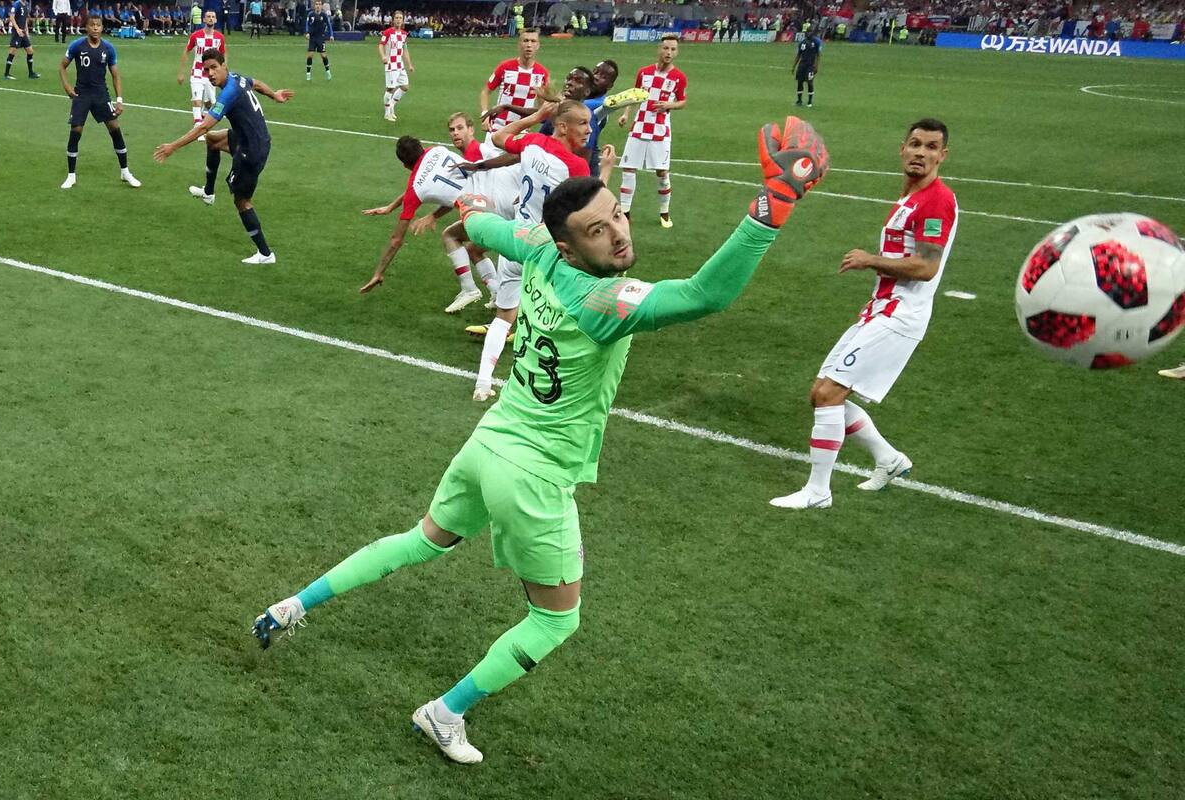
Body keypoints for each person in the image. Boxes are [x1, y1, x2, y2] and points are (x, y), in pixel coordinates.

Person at [250, 115, 829, 766]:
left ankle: (292, 604)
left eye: (616, 217)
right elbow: (705, 294)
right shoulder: (607, 303)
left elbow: (478, 223)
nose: (616, 234)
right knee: (558, 619)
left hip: (490, 439)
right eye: (597, 230)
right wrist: (771, 206)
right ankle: (445, 714)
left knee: (420, 540)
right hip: (534, 474)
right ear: (567, 242)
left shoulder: (534, 246)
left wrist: (467, 200)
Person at [771, 119, 958, 510]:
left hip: (900, 316)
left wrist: (869, 260)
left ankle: (818, 492)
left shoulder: (936, 200)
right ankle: (889, 460)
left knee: (828, 394)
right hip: (881, 309)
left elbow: (926, 267)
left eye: (930, 147)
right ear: (902, 149)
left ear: (943, 155)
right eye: (915, 144)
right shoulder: (910, 198)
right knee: (822, 393)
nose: (921, 153)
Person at [458, 99, 607, 402]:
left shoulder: (532, 142)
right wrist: (605, 170)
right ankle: (554, 383)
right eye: (582, 123)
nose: (589, 130)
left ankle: (483, 382)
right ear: (563, 127)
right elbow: (595, 207)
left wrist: (536, 116)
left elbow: (500, 138)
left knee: (504, 315)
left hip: (515, 240)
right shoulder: (573, 165)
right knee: (561, 315)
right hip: (543, 249)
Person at [153, 48, 293, 264]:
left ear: (224, 66)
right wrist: (274, 94)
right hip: (251, 138)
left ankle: (266, 254)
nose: (210, 73)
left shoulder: (229, 93)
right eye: (206, 69)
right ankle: (208, 193)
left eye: (214, 68)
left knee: (242, 201)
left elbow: (203, 127)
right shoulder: (237, 78)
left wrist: (173, 146)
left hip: (252, 150)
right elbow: (256, 83)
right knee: (213, 140)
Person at [357, 124, 502, 313]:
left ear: (404, 165)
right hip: (499, 194)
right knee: (474, 249)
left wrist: (378, 272)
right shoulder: (437, 150)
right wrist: (391, 206)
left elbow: (396, 240)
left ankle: (470, 289)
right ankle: (498, 294)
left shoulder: (415, 189)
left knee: (450, 236)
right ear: (422, 147)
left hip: (482, 211)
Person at [57, 15, 138, 189]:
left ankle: (125, 171)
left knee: (115, 128)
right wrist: (67, 87)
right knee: (76, 130)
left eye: (98, 25)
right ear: (86, 27)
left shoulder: (108, 48)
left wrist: (119, 100)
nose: (95, 28)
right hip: (82, 95)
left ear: (102, 28)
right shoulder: (77, 46)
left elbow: (115, 75)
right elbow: (62, 66)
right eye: (92, 25)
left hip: (101, 94)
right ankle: (71, 176)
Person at [617, 33, 687, 229]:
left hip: (660, 130)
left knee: (662, 172)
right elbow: (634, 95)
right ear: (659, 49)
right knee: (628, 169)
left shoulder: (679, 78)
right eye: (666, 48)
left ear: (676, 52)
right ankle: (625, 212)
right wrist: (625, 114)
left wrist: (669, 104)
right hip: (639, 126)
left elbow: (682, 101)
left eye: (673, 49)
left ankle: (664, 212)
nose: (669, 52)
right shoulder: (644, 72)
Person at [478, 28, 547, 156]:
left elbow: (542, 108)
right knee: (486, 171)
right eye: (525, 41)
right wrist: (485, 115)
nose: (529, 45)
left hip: (521, 133)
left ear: (538, 45)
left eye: (533, 41)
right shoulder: (505, 67)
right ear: (519, 44)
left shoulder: (541, 73)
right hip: (497, 130)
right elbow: (485, 92)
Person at [178, 9, 225, 128]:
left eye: (212, 17)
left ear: (215, 20)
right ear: (204, 19)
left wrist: (223, 72)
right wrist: (181, 72)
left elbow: (222, 55)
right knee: (197, 100)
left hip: (211, 75)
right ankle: (197, 127)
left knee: (210, 103)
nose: (210, 18)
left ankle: (202, 118)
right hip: (197, 73)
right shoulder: (196, 35)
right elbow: (186, 51)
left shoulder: (219, 37)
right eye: (208, 16)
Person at [378, 9, 412, 121]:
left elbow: (405, 50)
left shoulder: (404, 34)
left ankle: (392, 104)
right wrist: (383, 56)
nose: (398, 20)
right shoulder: (387, 32)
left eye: (400, 18)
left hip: (400, 65)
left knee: (405, 86)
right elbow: (380, 45)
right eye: (396, 18)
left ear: (403, 21)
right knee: (390, 88)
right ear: (393, 20)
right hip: (391, 65)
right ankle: (387, 113)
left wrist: (409, 64)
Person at [4, 0, 39, 79]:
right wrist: (17, 29)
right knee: (12, 52)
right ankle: (6, 74)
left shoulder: (26, 4)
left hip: (23, 32)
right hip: (17, 32)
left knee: (30, 51)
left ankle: (31, 73)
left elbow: (25, 19)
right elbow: (12, 18)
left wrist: (26, 31)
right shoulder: (17, 4)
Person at [304, 0, 332, 80]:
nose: (318, 6)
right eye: (316, 4)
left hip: (320, 37)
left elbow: (329, 25)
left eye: (319, 4)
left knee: (323, 55)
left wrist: (331, 35)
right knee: (310, 55)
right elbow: (307, 24)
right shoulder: (310, 14)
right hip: (312, 38)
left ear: (322, 6)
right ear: (314, 5)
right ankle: (308, 74)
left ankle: (328, 72)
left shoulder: (324, 15)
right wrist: (307, 33)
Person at [792, 27, 821, 108]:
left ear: (812, 33)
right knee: (799, 82)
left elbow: (818, 55)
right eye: (807, 32)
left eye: (810, 32)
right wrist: (794, 66)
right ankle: (799, 100)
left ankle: (809, 101)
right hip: (802, 65)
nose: (808, 33)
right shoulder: (802, 43)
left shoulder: (815, 42)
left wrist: (816, 65)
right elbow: (798, 55)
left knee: (810, 82)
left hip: (810, 66)